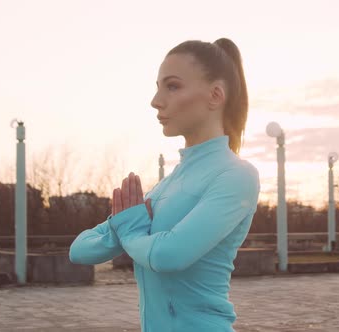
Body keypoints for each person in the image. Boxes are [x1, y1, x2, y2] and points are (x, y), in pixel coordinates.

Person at [69, 38, 260, 332]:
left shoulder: (236, 175)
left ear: (215, 95)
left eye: (172, 86)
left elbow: (168, 255)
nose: (156, 101)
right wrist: (126, 229)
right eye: (158, 87)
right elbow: (80, 250)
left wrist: (129, 229)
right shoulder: (164, 187)